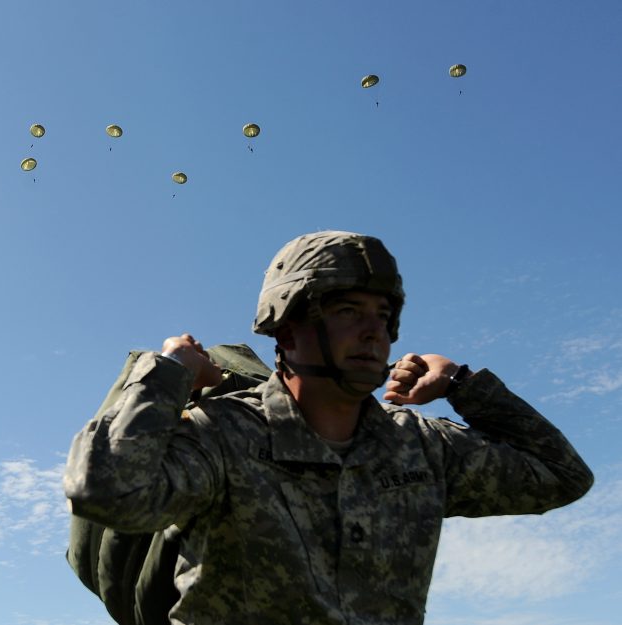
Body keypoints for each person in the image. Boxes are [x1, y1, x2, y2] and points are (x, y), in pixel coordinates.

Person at [63, 231, 593, 625]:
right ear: (287, 329)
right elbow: (108, 489)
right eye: (347, 310)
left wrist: (461, 382)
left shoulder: (418, 446)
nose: (374, 332)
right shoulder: (224, 435)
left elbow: (561, 475)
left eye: (383, 316)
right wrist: (171, 371)